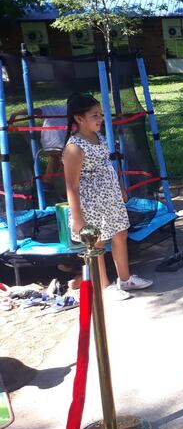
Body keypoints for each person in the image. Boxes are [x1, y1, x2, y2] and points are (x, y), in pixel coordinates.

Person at [62, 93, 153, 300]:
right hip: (91, 203)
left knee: (120, 233)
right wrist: (77, 218)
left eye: (100, 114)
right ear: (79, 118)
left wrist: (118, 188)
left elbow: (106, 166)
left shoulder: (99, 137)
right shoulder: (74, 147)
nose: (100, 118)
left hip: (109, 198)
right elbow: (72, 185)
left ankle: (125, 278)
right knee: (98, 242)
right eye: (94, 115)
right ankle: (103, 285)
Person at [10, 104, 68, 180]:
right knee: (66, 161)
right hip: (60, 144)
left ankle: (48, 183)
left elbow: (33, 111)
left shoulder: (52, 108)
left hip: (47, 143)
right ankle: (65, 184)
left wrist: (16, 114)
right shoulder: (76, 111)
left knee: (54, 158)